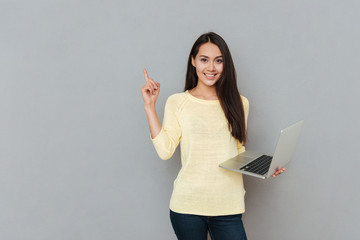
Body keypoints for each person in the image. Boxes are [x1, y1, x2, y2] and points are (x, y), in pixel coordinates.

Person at [141, 32, 285, 240]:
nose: (211, 68)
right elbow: (165, 151)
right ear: (193, 61)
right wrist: (149, 107)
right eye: (204, 60)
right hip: (187, 206)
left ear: (226, 65)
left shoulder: (239, 102)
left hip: (228, 205)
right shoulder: (177, 102)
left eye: (218, 61)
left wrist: (266, 166)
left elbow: (237, 151)